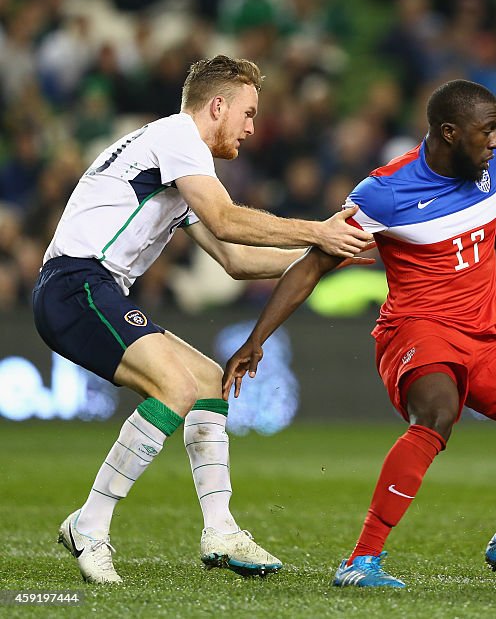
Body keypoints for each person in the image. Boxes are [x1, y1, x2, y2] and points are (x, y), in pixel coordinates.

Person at [223, 79, 496, 588]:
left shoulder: (485, 165)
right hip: (415, 331)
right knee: (437, 412)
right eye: (488, 132)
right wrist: (257, 339)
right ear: (450, 133)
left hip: (485, 338)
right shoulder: (384, 192)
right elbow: (312, 266)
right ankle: (360, 561)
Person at [33, 55, 375, 584]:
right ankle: (90, 525)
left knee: (208, 383)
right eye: (248, 113)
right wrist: (316, 231)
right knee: (173, 387)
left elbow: (237, 260)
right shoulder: (177, 138)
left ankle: (220, 529)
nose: (253, 127)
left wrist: (328, 258)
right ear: (217, 106)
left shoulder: (177, 162)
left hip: (92, 288)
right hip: (76, 285)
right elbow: (226, 218)